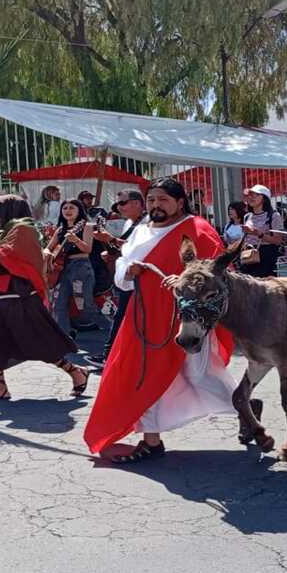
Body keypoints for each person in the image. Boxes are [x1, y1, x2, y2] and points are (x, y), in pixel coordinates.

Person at [84, 178, 234, 463]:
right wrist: (127, 273)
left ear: (180, 202)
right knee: (142, 376)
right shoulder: (141, 230)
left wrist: (187, 279)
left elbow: (217, 274)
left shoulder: (198, 229)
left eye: (163, 199)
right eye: (151, 199)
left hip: (187, 319)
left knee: (199, 374)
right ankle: (151, 441)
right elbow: (121, 267)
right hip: (144, 315)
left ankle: (245, 407)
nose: (156, 205)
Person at [0, 195, 89, 401]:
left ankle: (76, 372)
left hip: (21, 297)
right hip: (4, 297)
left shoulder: (23, 229)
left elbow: (16, 263)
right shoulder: (11, 230)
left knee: (39, 342)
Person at [87, 189, 146, 366]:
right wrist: (111, 249)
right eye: (117, 204)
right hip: (128, 279)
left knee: (124, 318)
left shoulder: (147, 224)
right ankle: (111, 354)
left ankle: (110, 355)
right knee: (122, 317)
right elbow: (126, 248)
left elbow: (136, 249)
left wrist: (110, 239)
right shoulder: (129, 223)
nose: (119, 208)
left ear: (137, 203)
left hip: (140, 280)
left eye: (122, 203)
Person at [45, 198, 102, 336]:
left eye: (72, 208)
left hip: (80, 266)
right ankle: (64, 334)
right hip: (61, 268)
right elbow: (48, 248)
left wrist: (75, 240)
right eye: (65, 208)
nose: (68, 211)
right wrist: (47, 254)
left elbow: (87, 249)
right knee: (57, 301)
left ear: (79, 210)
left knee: (84, 301)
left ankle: (100, 322)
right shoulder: (60, 230)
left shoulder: (86, 226)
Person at [239, 184, 285, 278]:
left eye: (255, 195)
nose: (251, 197)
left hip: (266, 256)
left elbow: (278, 240)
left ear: (264, 198)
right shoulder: (247, 216)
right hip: (248, 255)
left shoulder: (274, 216)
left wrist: (258, 234)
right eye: (250, 195)